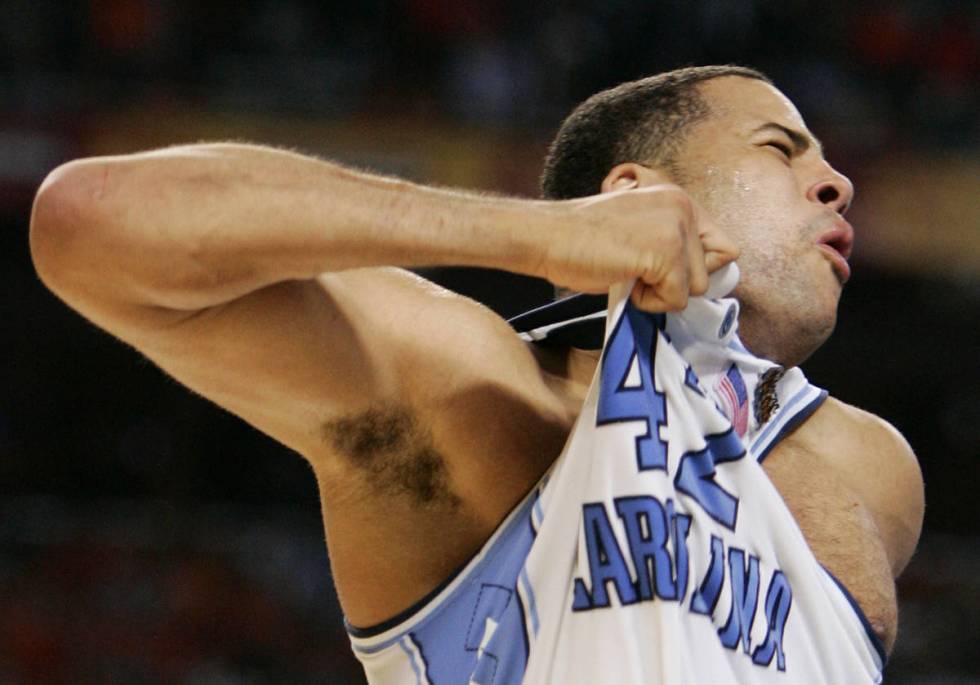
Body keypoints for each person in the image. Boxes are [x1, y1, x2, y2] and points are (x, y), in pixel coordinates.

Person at [30, 65, 923, 682]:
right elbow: (92, 220)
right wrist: (534, 236)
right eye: (782, 148)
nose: (836, 180)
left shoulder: (869, 473)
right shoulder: (479, 394)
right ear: (631, 191)